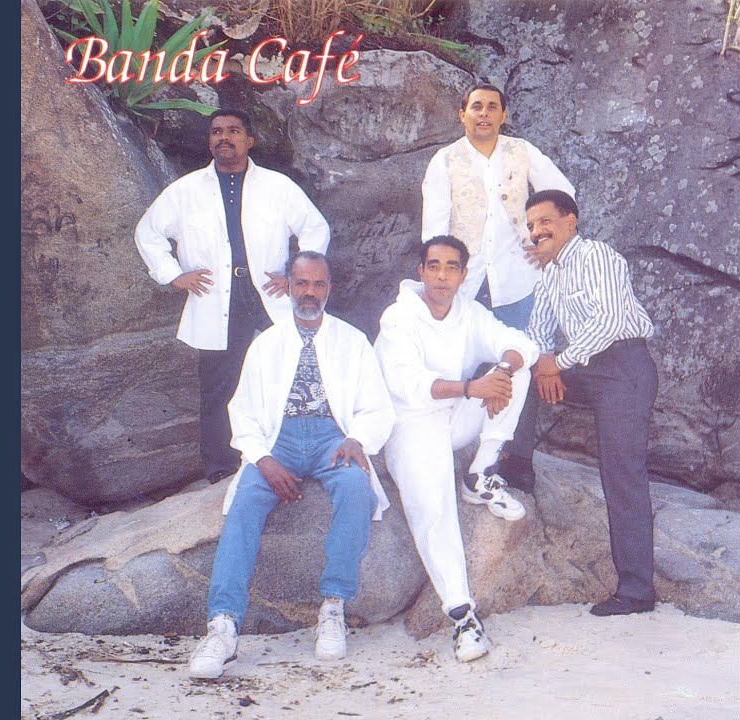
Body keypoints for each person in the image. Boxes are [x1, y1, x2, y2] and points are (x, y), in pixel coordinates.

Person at [187, 251, 396, 679]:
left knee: (356, 489)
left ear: (329, 288)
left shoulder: (352, 341)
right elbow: (242, 411)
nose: (310, 292)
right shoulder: (266, 343)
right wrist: (263, 459)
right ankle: (223, 627)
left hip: (331, 437)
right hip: (277, 439)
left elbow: (377, 406)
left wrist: (357, 438)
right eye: (302, 283)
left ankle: (333, 607)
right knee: (244, 503)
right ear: (289, 287)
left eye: (318, 284)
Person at [135, 108, 330, 484]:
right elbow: (148, 232)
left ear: (249, 140)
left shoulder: (277, 187)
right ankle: (222, 469)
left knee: (290, 368)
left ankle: (289, 454)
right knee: (220, 384)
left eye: (233, 131)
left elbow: (315, 227)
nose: (224, 137)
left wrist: (297, 276)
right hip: (216, 296)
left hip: (268, 291)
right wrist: (173, 275)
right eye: (216, 132)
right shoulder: (186, 191)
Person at [373, 236, 538, 663]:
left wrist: (501, 372)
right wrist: (472, 387)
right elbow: (408, 385)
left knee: (517, 373)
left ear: (464, 275)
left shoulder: (469, 311)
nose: (442, 276)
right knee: (434, 508)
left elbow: (521, 343)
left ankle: (479, 474)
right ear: (421, 271)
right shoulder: (398, 317)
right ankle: (462, 616)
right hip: (410, 425)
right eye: (434, 266)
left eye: (451, 267)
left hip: (455, 417)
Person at [419, 83, 575, 492]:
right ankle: (450, 451)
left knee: (523, 361)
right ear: (463, 115)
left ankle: (516, 457)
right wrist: (440, 279)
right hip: (466, 283)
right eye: (476, 107)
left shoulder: (521, 152)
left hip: (517, 281)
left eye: (492, 107)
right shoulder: (445, 160)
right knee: (457, 363)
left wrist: (545, 241)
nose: (484, 113)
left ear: (503, 115)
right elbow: (433, 228)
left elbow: (564, 194)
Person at [523, 189, 660, 617]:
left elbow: (609, 320)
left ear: (571, 222)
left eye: (545, 221)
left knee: (622, 474)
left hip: (624, 367)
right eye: (530, 226)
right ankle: (516, 467)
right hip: (584, 368)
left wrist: (557, 363)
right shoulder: (548, 273)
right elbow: (538, 330)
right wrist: (541, 364)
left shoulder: (597, 255)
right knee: (516, 376)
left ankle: (636, 592)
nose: (536, 231)